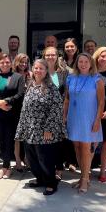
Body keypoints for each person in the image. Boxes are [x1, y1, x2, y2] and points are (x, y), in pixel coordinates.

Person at [16, 59, 64, 195]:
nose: (38, 71)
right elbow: (25, 109)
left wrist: (48, 128)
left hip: (44, 131)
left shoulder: (51, 87)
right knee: (32, 159)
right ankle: (40, 179)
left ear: (46, 71)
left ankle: (51, 183)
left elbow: (56, 109)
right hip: (30, 130)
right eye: (35, 68)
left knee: (45, 159)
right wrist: (22, 128)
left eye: (41, 68)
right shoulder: (30, 85)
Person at [63, 53, 104, 193]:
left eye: (86, 61)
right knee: (77, 148)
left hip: (89, 118)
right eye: (80, 61)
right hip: (74, 117)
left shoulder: (97, 79)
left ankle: (85, 180)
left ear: (91, 63)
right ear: (77, 63)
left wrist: (97, 120)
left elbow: (101, 102)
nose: (83, 64)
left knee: (86, 149)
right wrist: (64, 116)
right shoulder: (71, 77)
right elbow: (67, 99)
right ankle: (82, 177)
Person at [0, 54, 25, 180]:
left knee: (9, 140)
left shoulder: (18, 77)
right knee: (2, 141)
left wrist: (6, 101)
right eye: (2, 62)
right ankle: (6, 167)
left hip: (11, 114)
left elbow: (20, 93)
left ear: (11, 63)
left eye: (7, 62)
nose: (5, 64)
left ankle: (6, 167)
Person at [43, 46, 69, 180]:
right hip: (43, 113)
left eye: (53, 55)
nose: (50, 57)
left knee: (58, 142)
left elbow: (66, 95)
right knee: (45, 141)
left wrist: (64, 114)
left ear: (57, 56)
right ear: (44, 56)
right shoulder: (41, 71)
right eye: (48, 55)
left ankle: (58, 168)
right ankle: (47, 168)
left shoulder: (63, 73)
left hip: (58, 113)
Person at [92, 47, 106, 182]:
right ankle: (87, 168)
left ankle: (102, 171)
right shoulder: (91, 72)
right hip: (92, 111)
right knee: (91, 142)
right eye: (102, 56)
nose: (104, 59)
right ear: (97, 57)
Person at [12, 53, 32, 171]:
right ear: (17, 62)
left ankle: (27, 159)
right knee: (17, 136)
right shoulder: (13, 75)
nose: (24, 64)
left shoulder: (31, 74)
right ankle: (17, 160)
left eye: (26, 62)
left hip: (28, 109)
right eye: (21, 62)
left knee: (27, 135)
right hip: (16, 108)